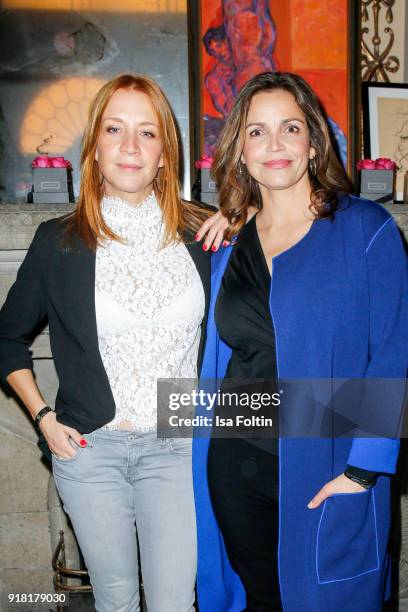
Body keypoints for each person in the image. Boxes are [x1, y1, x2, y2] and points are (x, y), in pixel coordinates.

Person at [0, 73, 228, 612]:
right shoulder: (57, 241)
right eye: (115, 128)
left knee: (176, 603)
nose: (131, 145)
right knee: (115, 602)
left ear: (165, 155)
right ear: (95, 148)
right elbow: (6, 337)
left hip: (177, 447)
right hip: (90, 450)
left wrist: (242, 216)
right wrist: (43, 417)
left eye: (148, 133)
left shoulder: (205, 236)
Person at [192, 72, 408, 611]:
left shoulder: (366, 229)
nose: (275, 145)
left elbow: (391, 352)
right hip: (236, 463)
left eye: (289, 127)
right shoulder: (229, 243)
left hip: (329, 467)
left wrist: (363, 471)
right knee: (259, 601)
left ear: (313, 140)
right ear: (240, 149)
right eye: (257, 132)